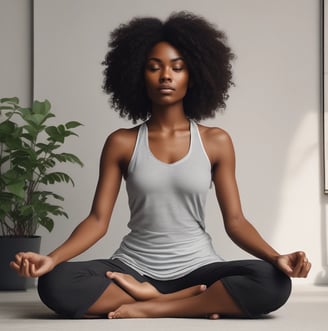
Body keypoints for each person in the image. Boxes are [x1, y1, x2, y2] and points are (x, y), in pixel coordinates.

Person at [10, 11, 311, 319]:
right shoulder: (122, 142)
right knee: (55, 283)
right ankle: (183, 303)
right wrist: (51, 259)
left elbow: (235, 221)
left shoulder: (215, 141)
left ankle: (151, 306)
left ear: (193, 75)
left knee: (272, 282)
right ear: (138, 76)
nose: (166, 75)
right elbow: (97, 221)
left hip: (199, 268)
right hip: (132, 268)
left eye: (177, 68)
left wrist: (277, 258)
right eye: (154, 68)